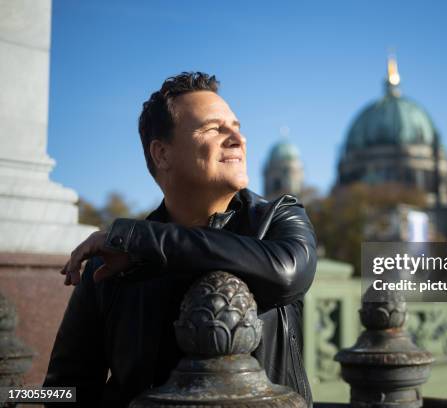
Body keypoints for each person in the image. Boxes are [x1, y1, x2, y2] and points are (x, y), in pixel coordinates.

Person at [44, 72, 317, 407]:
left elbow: (287, 271)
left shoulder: (278, 217)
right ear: (162, 155)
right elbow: (61, 390)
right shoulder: (108, 264)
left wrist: (141, 239)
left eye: (236, 126)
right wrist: (12, 393)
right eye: (214, 128)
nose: (238, 138)